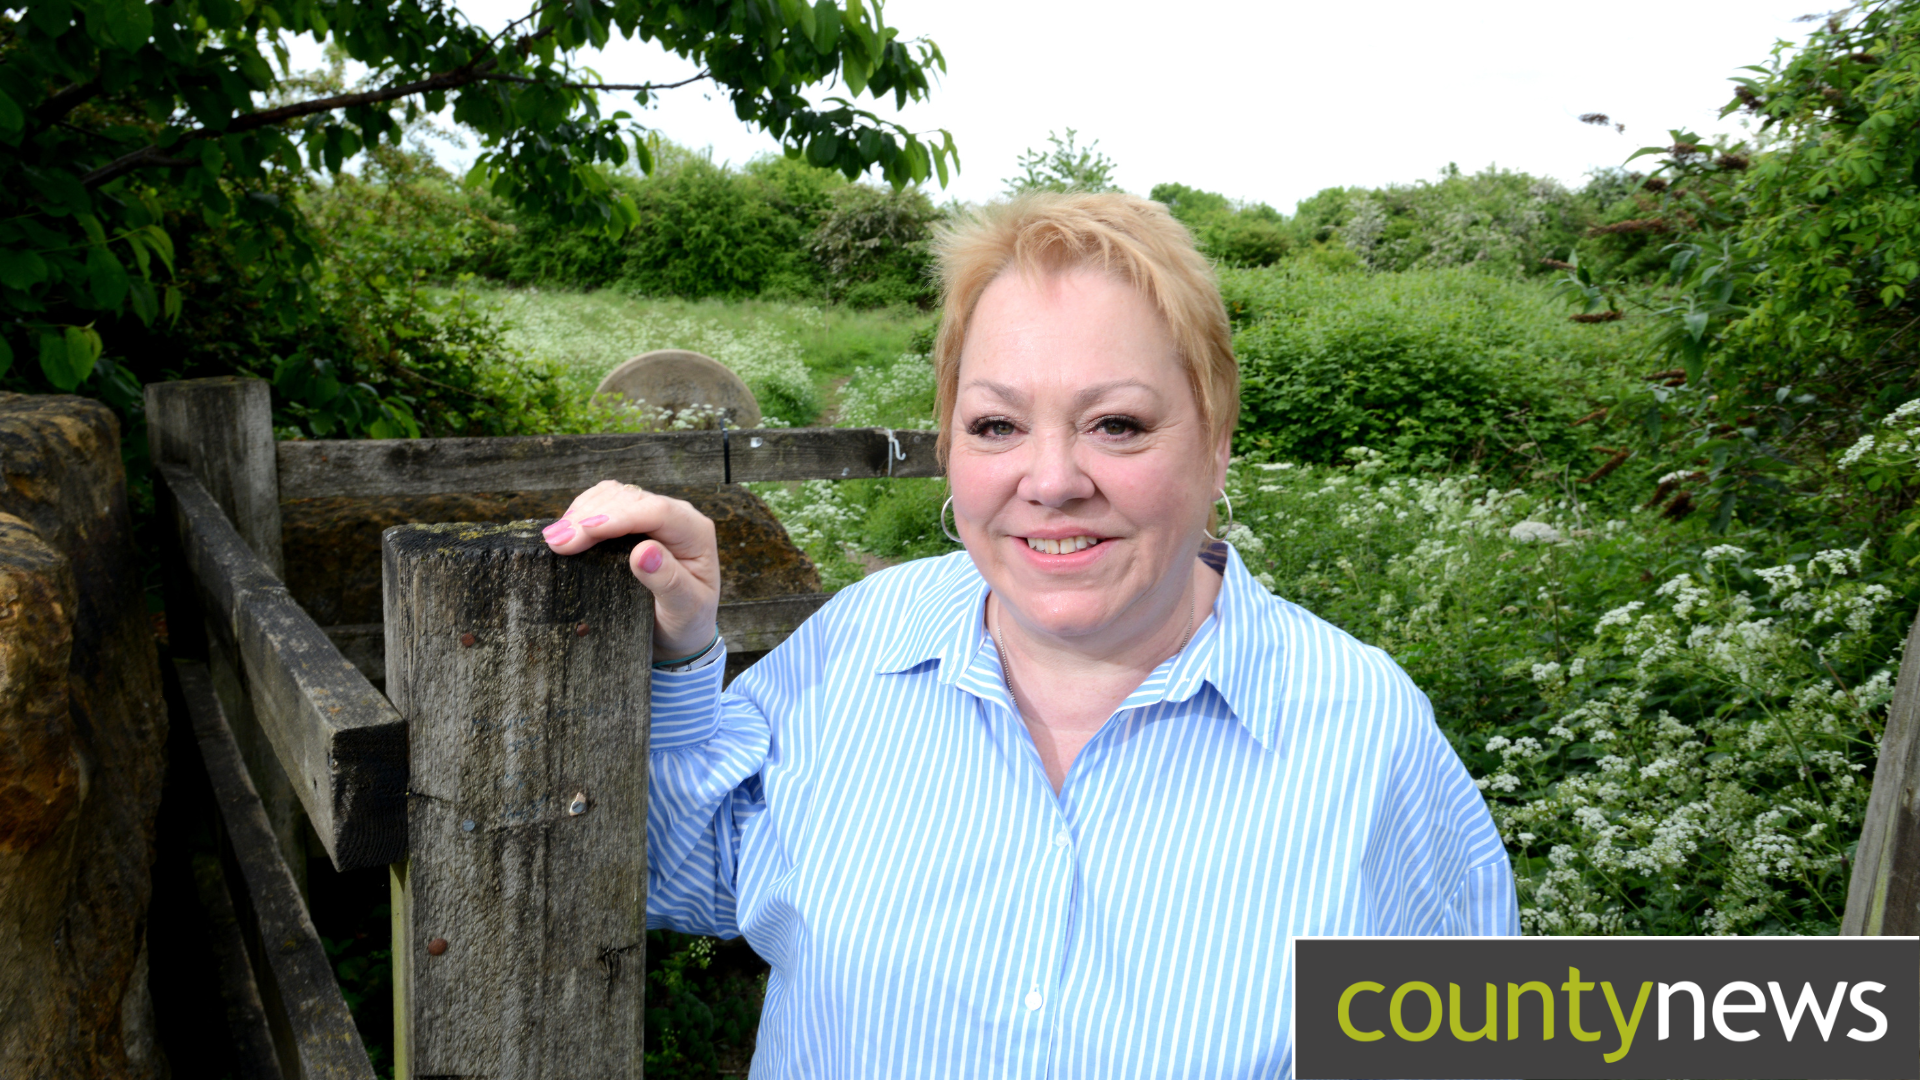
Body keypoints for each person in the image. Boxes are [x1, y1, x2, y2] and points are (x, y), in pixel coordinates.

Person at [542, 192, 1518, 1077]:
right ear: (949, 442)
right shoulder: (856, 647)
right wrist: (679, 655)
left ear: (1217, 439)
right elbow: (678, 874)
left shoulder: (1365, 730)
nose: (1051, 481)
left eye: (1119, 425)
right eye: (999, 426)